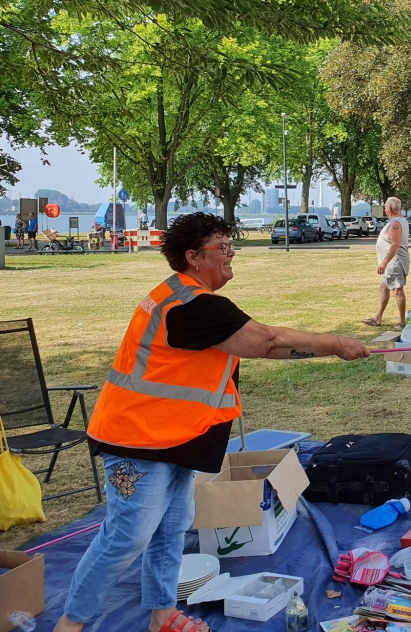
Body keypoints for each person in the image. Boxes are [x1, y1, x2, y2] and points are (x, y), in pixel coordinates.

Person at [54, 213, 369, 632]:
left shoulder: (191, 300)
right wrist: (335, 342)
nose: (231, 252)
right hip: (136, 439)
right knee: (128, 536)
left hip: (177, 437)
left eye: (230, 243)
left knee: (171, 529)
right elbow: (267, 340)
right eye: (222, 246)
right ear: (193, 256)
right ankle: (70, 625)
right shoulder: (191, 305)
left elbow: (267, 351)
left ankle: (163, 614)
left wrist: (333, 352)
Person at [364, 197, 408, 329]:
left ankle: (402, 322)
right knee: (384, 287)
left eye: (385, 206)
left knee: (397, 290)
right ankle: (377, 318)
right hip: (391, 264)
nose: (384, 208)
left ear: (390, 208)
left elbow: (395, 245)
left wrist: (384, 263)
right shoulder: (396, 221)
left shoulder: (395, 223)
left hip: (394, 263)